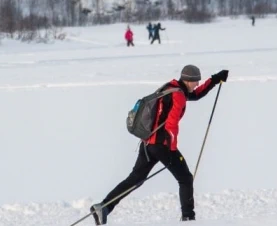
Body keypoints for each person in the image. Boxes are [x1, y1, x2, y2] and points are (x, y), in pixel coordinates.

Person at [90, 65, 229, 224]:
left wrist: (215, 79)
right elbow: (171, 124)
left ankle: (104, 207)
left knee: (136, 178)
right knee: (185, 179)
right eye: (196, 81)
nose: (197, 84)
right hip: (162, 145)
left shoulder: (172, 88)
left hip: (148, 143)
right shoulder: (178, 96)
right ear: (188, 80)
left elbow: (196, 95)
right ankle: (189, 218)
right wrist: (172, 148)